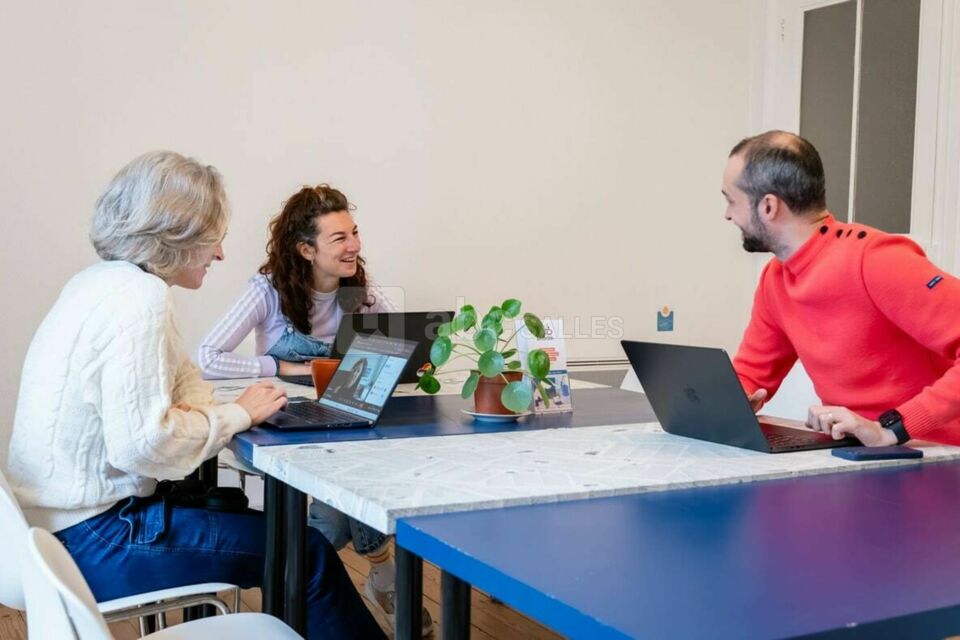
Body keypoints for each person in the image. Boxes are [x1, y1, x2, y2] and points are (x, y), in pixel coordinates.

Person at [5, 151, 385, 639]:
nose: (220, 253)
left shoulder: (101, 283)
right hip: (96, 540)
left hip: (51, 534)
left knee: (257, 525)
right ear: (176, 235)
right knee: (305, 553)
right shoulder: (139, 298)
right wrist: (235, 415)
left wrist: (207, 412)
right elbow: (143, 444)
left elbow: (184, 377)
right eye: (214, 237)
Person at [197, 184, 431, 634]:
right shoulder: (266, 291)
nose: (355, 246)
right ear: (306, 249)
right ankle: (376, 576)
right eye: (339, 238)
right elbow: (207, 357)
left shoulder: (357, 291)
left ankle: (306, 594)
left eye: (355, 233)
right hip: (277, 425)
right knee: (340, 487)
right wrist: (281, 364)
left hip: (340, 423)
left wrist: (411, 355)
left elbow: (399, 344)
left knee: (340, 489)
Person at [723, 130, 960, 447]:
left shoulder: (877, 259)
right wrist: (724, 405)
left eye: (731, 201)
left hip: (937, 457)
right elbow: (752, 373)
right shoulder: (776, 278)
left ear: (768, 206)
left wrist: (892, 429)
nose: (727, 215)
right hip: (857, 457)